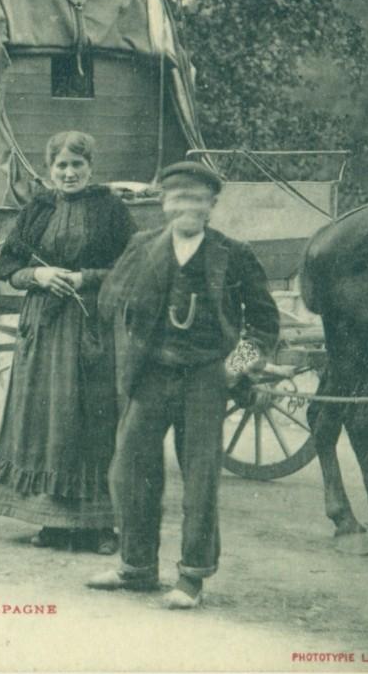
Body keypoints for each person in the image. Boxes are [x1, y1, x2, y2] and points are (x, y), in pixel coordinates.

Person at [86, 160, 279, 608]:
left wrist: (237, 369)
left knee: (200, 478)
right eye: (178, 201)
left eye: (197, 201)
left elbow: (265, 325)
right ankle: (135, 566)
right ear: (164, 205)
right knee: (129, 467)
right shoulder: (141, 245)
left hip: (207, 378)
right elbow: (110, 301)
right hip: (151, 376)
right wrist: (132, 346)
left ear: (211, 206)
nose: (187, 209)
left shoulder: (234, 253)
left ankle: (192, 577)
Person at [0, 131, 135, 554]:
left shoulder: (112, 210)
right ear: (50, 171)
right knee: (46, 420)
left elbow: (132, 268)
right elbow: (9, 266)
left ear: (91, 167)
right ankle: (50, 522)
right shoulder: (38, 209)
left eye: (76, 165)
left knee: (93, 418)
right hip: (44, 332)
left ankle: (101, 525)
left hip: (93, 329)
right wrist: (39, 276)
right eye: (60, 166)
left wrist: (87, 278)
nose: (69, 173)